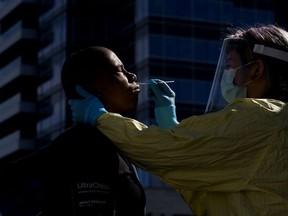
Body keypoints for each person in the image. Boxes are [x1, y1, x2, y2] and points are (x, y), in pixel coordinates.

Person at [69, 24, 288, 216]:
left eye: (230, 67)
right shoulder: (274, 121)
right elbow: (204, 184)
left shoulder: (263, 118)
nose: (227, 74)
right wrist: (172, 128)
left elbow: (166, 152)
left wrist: (100, 117)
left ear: (256, 70)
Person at [0, 46, 146, 216]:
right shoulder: (86, 147)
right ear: (94, 85)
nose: (132, 76)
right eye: (119, 70)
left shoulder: (109, 144)